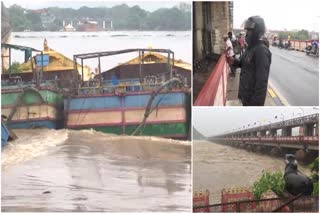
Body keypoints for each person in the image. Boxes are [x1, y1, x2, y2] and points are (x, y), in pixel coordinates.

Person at [232, 16, 272, 106]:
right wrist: (233, 61)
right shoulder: (249, 48)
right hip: (245, 96)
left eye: (249, 31)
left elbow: (262, 82)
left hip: (252, 101)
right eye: (246, 31)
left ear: (256, 32)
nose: (246, 34)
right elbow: (241, 63)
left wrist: (255, 105)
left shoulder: (261, 51)